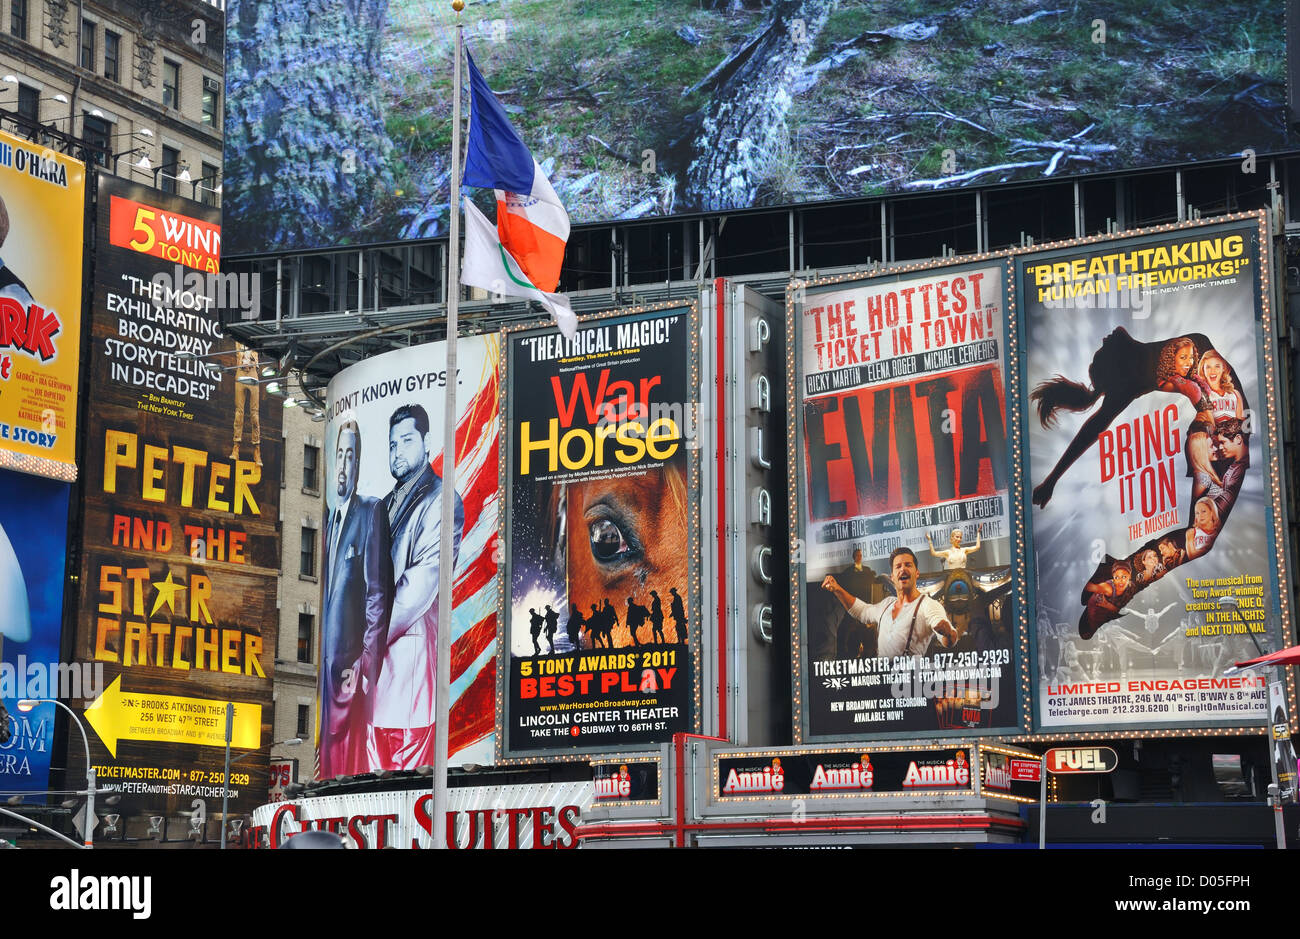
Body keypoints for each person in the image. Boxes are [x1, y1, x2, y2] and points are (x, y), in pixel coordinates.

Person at [369, 403, 464, 770]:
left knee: (408, 791)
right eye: (392, 444)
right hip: (377, 679)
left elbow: (419, 586)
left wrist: (368, 644)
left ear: (426, 441)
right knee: (377, 788)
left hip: (408, 670)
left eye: (406, 441)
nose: (397, 452)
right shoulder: (384, 503)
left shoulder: (441, 498)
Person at [1030, 329, 1216, 507]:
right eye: (1184, 358)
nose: (1188, 363)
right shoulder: (1128, 378)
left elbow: (1089, 432)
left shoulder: (1130, 357)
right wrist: (1051, 481)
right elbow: (1088, 433)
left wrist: (1051, 481)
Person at [320, 421, 391, 779]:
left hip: (351, 672)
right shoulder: (330, 520)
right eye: (340, 456)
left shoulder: (370, 511)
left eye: (351, 456)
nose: (344, 466)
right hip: (327, 676)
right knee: (331, 772)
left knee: (350, 770)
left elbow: (378, 593)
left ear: (359, 464)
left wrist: (366, 664)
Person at [820, 547, 957, 658]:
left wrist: (948, 633)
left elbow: (949, 640)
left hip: (908, 686)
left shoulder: (928, 605)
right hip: (882, 684)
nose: (903, 569)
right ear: (892, 577)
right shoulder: (887, 604)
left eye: (908, 565)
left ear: (917, 573)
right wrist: (837, 589)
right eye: (898, 566)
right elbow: (862, 611)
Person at [1079, 560, 1134, 639]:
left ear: (1129, 576)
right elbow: (1092, 587)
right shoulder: (1108, 588)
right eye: (1117, 577)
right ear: (1113, 578)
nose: (1121, 581)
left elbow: (1116, 609)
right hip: (1095, 608)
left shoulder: (1131, 587)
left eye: (1124, 577)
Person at [230, 342, 263, 466]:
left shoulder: (255, 337)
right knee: (239, 412)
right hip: (241, 371)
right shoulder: (238, 339)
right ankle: (236, 446)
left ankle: (257, 449)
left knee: (254, 415)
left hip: (253, 372)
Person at [1198, 349, 1243, 420]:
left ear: (1223, 368)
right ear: (1203, 370)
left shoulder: (1235, 394)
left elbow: (1241, 423)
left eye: (1217, 366)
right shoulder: (1200, 395)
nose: (1213, 371)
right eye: (1208, 367)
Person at [1185, 496, 1220, 560]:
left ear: (1212, 512)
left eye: (1203, 511)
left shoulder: (1219, 531)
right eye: (1197, 513)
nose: (1200, 515)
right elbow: (1192, 556)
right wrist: (1208, 548)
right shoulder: (1191, 532)